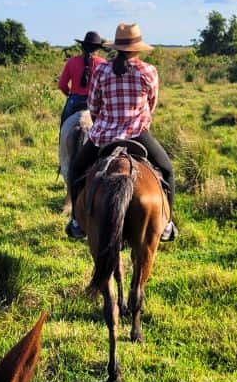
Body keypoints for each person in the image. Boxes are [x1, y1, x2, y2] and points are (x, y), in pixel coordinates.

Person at [66, 23, 178, 242]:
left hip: (104, 136)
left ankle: (76, 221)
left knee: (77, 168)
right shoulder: (148, 71)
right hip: (138, 135)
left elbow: (94, 105)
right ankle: (168, 223)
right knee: (167, 170)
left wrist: (103, 124)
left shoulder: (101, 70)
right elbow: (151, 104)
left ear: (116, 47)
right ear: (137, 48)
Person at [58, 31, 107, 126]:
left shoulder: (71, 62)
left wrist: (70, 95)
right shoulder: (103, 64)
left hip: (74, 100)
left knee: (64, 124)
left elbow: (62, 85)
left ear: (82, 47)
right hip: (95, 103)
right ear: (97, 49)